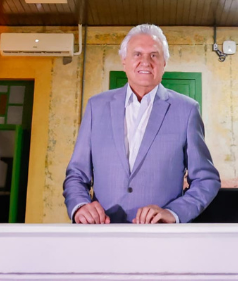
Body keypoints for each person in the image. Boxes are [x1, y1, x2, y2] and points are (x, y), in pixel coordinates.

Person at [64, 24, 220, 224]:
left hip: (159, 235)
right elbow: (76, 175)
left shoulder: (187, 110)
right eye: (137, 54)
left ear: (164, 62)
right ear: (124, 61)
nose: (145, 62)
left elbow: (206, 179)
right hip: (102, 231)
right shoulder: (96, 106)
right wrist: (79, 206)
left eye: (154, 55)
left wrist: (173, 213)